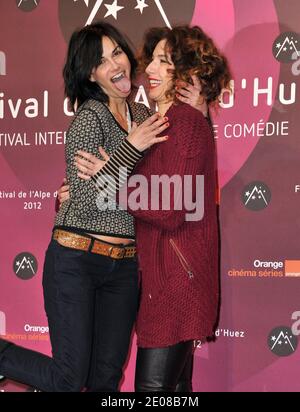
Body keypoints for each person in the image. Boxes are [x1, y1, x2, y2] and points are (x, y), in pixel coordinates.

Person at [0, 22, 171, 392]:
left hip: (124, 269)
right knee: (70, 377)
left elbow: (161, 190)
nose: (114, 64)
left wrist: (112, 170)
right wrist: (131, 150)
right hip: (76, 262)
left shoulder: (144, 118)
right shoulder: (88, 119)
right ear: (91, 74)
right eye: (101, 60)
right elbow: (88, 197)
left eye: (117, 53)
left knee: (106, 380)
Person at [61, 25, 232, 391]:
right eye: (151, 59)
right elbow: (143, 185)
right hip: (163, 282)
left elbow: (170, 206)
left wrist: (105, 184)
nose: (149, 69)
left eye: (163, 61)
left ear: (186, 73)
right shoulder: (159, 122)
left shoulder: (185, 122)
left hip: (175, 286)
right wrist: (83, 187)